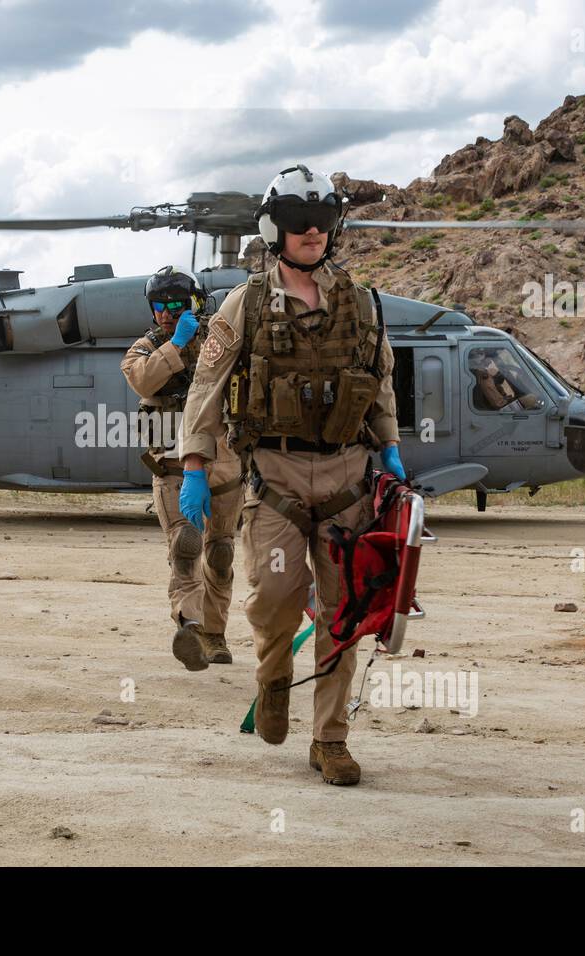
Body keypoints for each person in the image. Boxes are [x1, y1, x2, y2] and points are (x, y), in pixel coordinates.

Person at [177, 165, 406, 786]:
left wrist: (389, 447)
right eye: (299, 222)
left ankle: (330, 739)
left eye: (323, 222)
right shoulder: (244, 305)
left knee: (344, 611)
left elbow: (380, 381)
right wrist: (194, 465)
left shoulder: (361, 303)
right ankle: (274, 673)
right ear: (274, 230)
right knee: (275, 600)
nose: (312, 233)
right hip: (274, 477)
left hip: (348, 479)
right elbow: (207, 386)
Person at [120, 266, 243, 671]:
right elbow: (141, 381)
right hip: (172, 464)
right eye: (161, 307)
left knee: (220, 552)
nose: (169, 313)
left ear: (195, 302)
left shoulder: (220, 338)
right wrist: (175, 344)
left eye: (178, 304)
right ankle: (189, 625)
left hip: (223, 462)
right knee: (185, 545)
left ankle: (215, 634)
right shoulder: (145, 348)